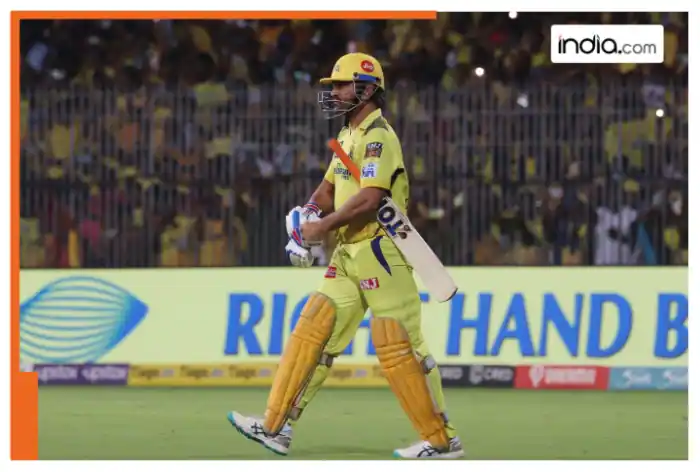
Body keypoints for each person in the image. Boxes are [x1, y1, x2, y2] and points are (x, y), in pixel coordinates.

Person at [226, 52, 464, 459]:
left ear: (368, 89)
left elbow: (371, 199)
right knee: (313, 330)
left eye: (340, 85)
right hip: (348, 256)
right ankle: (275, 427)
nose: (333, 92)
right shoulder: (349, 136)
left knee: (402, 346)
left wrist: (322, 228)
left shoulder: (378, 137)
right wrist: (309, 213)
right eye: (332, 86)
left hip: (382, 250)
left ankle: (442, 441)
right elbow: (328, 186)